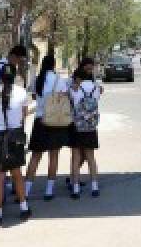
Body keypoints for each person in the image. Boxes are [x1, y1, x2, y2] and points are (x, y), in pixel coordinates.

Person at [0, 69, 33, 225]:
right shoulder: (22, 93)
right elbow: (24, 114)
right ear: (15, 76)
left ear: (0, 78)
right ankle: (24, 208)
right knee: (17, 173)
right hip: (14, 136)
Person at [24, 54, 70, 201]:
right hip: (54, 122)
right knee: (54, 156)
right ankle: (49, 191)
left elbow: (34, 97)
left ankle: (25, 191)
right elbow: (64, 98)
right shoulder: (59, 80)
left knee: (35, 157)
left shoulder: (37, 79)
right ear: (54, 64)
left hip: (39, 121)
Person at [68, 61, 103, 199]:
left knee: (76, 158)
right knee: (91, 158)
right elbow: (98, 99)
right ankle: (94, 186)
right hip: (90, 126)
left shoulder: (75, 89)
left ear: (80, 77)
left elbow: (71, 101)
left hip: (77, 126)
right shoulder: (97, 89)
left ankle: (75, 188)